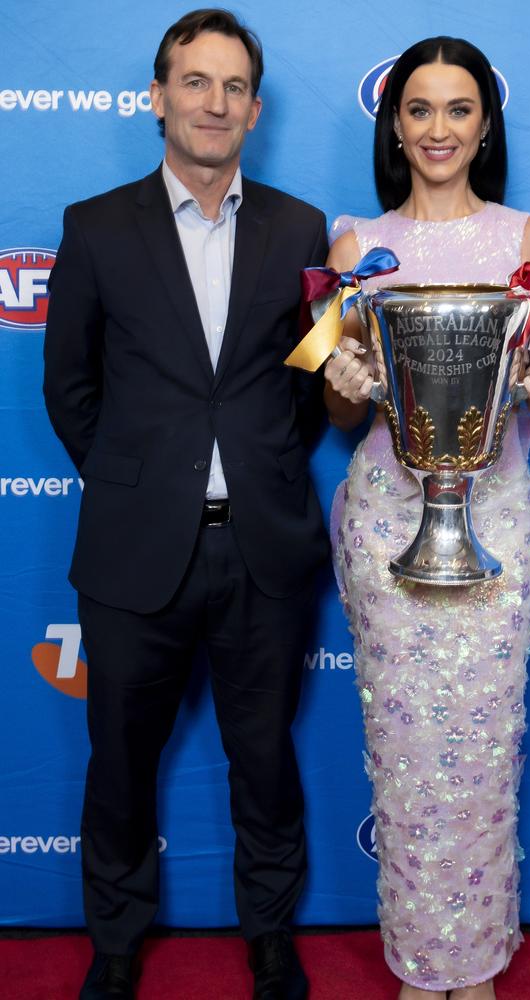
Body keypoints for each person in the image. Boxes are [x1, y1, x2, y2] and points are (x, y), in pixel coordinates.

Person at [43, 9, 329, 1000]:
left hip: (263, 549)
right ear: (157, 97)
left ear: (255, 109)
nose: (214, 102)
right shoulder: (93, 226)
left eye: (234, 86)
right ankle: (115, 942)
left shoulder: (300, 229)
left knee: (264, 757)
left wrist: (255, 473)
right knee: (119, 761)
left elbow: (306, 387)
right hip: (134, 551)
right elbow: (69, 389)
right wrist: (139, 478)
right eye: (194, 82)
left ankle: (268, 935)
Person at [324, 37, 530, 1000]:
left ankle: (476, 965)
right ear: (394, 123)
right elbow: (345, 408)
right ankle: (422, 965)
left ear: (485, 123)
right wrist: (343, 378)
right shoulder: (355, 244)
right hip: (388, 522)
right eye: (419, 109)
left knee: (483, 742)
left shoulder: (529, 241)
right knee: (408, 750)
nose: (438, 130)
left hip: (496, 516)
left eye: (458, 109)